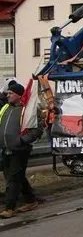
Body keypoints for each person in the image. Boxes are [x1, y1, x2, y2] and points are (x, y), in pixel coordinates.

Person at [0, 81, 42, 219]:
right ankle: (31, 200)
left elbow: (37, 130)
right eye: (8, 93)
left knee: (13, 179)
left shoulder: (27, 110)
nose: (8, 95)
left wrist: (22, 140)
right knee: (16, 176)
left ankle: (9, 208)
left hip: (20, 149)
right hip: (5, 148)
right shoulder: (6, 108)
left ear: (19, 95)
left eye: (11, 93)